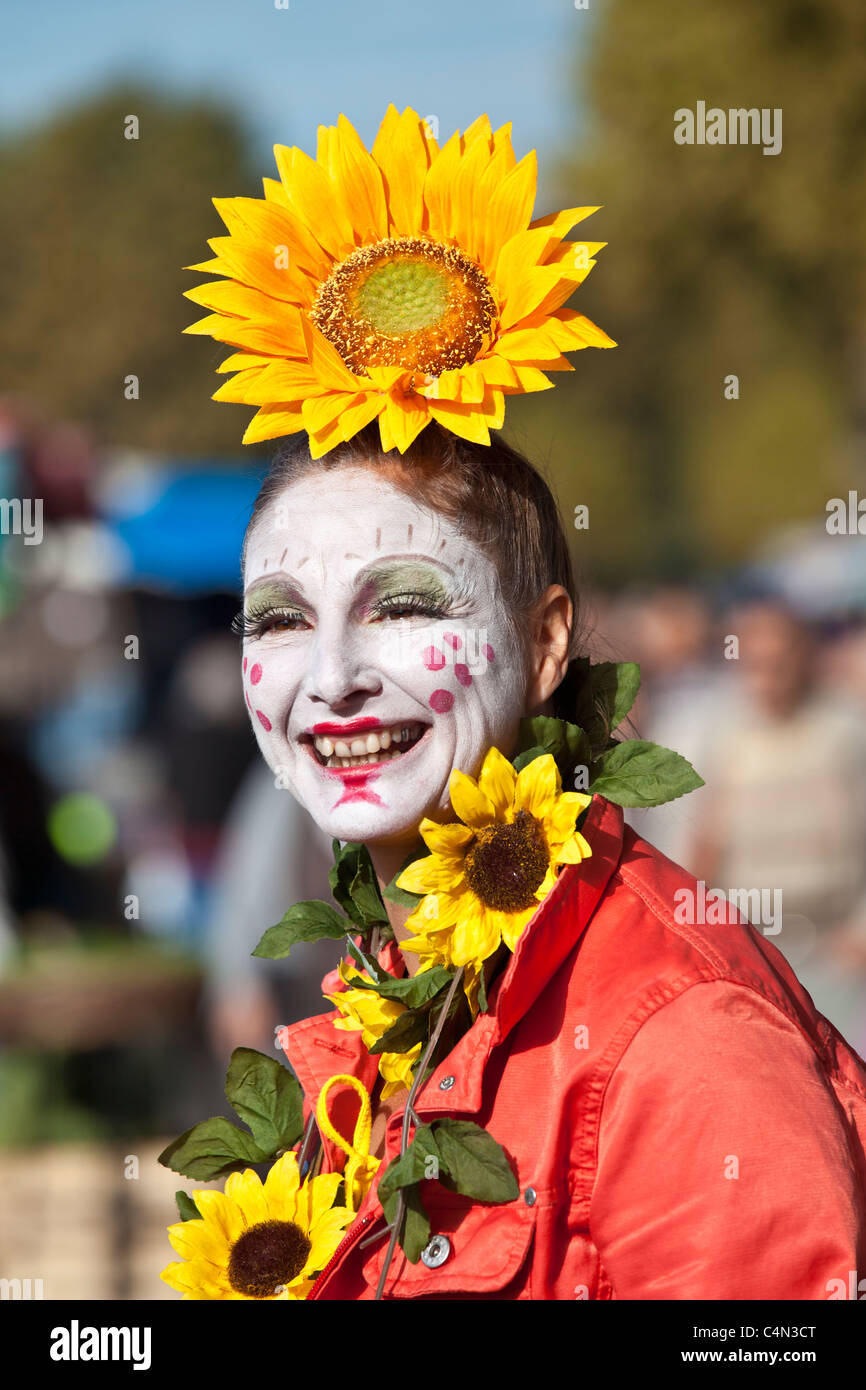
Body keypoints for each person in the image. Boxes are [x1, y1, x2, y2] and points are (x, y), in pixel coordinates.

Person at [162, 108, 866, 1302]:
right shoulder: (382, 1002)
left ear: (544, 643)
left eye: (398, 605)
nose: (329, 676)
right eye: (278, 619)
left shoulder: (682, 1042)